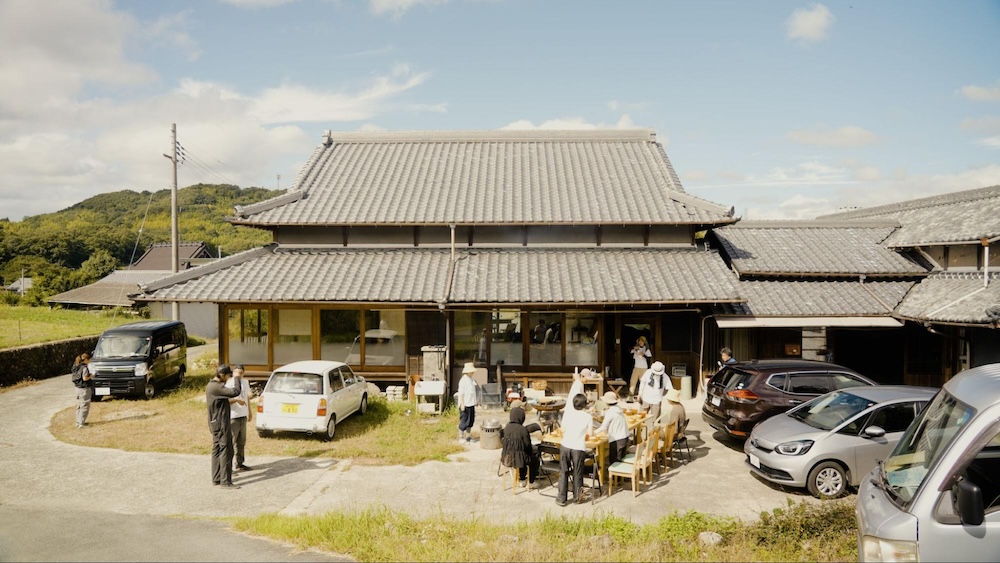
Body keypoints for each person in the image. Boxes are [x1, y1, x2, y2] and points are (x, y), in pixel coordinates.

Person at [206, 364, 244, 488]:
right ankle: (225, 481)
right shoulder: (216, 387)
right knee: (226, 450)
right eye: (228, 376)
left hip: (214, 422)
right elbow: (235, 392)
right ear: (222, 375)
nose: (228, 379)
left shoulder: (211, 386)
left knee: (217, 449)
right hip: (221, 422)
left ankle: (216, 478)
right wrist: (237, 378)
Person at [556, 393, 594, 507]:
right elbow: (590, 433)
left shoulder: (567, 414)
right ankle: (577, 498)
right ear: (585, 404)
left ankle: (561, 498)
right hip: (578, 447)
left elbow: (563, 430)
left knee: (563, 471)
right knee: (577, 472)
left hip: (565, 445)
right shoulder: (588, 417)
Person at [500, 406, 540, 489]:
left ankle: (522, 480)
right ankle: (531, 482)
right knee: (533, 459)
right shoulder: (522, 429)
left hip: (506, 458)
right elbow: (527, 446)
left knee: (521, 457)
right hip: (519, 460)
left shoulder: (507, 428)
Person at [226, 364, 253, 473]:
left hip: (243, 415)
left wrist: (249, 411)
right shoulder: (229, 383)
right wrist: (236, 400)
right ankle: (228, 467)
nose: (238, 375)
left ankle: (239, 463)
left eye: (241, 373)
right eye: (236, 372)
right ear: (233, 373)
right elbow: (226, 400)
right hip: (233, 416)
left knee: (241, 441)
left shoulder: (245, 382)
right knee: (231, 442)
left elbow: (247, 397)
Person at [594, 391, 629, 465]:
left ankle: (614, 472)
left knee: (614, 462)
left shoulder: (610, 412)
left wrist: (594, 432)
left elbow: (603, 427)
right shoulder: (618, 409)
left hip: (617, 439)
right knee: (621, 458)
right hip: (624, 436)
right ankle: (621, 471)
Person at [638, 361, 668, 430]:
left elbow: (669, 388)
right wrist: (640, 393)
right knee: (640, 418)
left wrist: (663, 396)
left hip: (656, 400)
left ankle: (654, 434)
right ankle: (639, 433)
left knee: (656, 421)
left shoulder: (664, 376)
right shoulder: (648, 372)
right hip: (645, 398)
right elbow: (642, 383)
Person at [457, 362, 478, 444]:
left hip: (471, 403)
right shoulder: (463, 380)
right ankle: (461, 437)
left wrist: (475, 401)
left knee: (470, 421)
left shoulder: (471, 379)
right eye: (471, 371)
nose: (472, 372)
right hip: (465, 404)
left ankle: (468, 437)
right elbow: (461, 393)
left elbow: (473, 392)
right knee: (464, 421)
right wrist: (462, 404)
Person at [72, 352, 93, 428]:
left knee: (79, 405)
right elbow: (85, 378)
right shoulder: (84, 368)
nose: (90, 361)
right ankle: (81, 424)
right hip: (84, 389)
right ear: (86, 359)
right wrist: (91, 376)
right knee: (85, 405)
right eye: (89, 360)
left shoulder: (76, 366)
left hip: (77, 388)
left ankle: (78, 422)